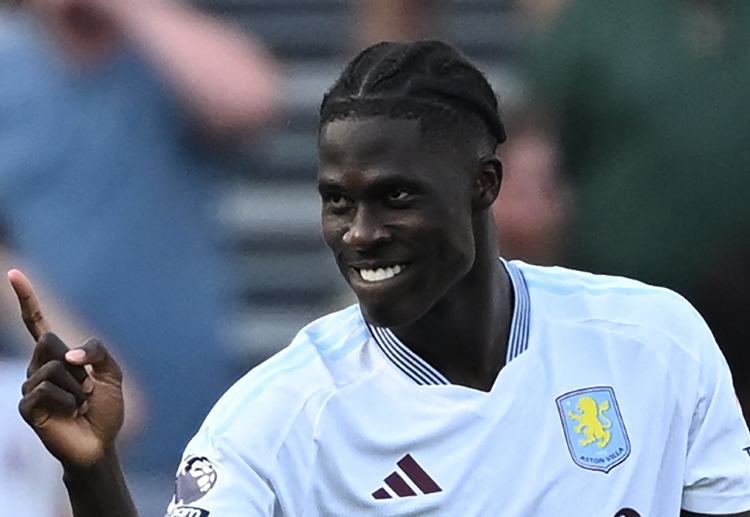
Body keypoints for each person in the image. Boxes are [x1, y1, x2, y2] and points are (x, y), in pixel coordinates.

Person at [11, 40, 750, 516]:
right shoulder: (275, 419)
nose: (360, 233)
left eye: (395, 196)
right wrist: (94, 474)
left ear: (482, 186)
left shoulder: (656, 342)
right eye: (338, 200)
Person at [0, 0, 278, 507]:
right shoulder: (9, 65)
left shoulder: (162, 56)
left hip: (184, 433)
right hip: (33, 444)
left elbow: (249, 100)